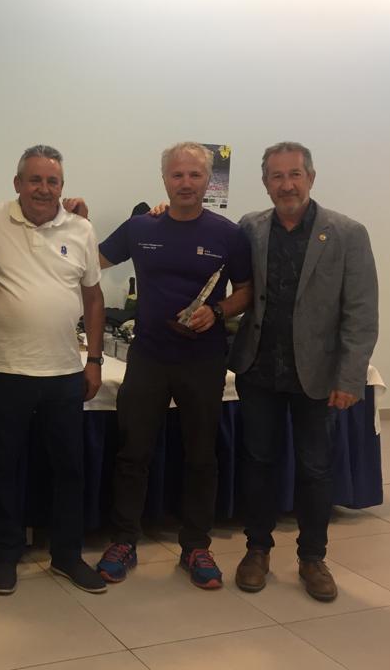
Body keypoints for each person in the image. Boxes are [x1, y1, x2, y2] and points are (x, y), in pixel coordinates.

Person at [94, 141, 252, 590]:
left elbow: (245, 291)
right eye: (177, 175)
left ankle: (196, 546)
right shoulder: (141, 227)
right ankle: (124, 540)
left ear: (208, 181)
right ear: (164, 179)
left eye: (195, 175)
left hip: (203, 360)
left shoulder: (228, 234)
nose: (186, 183)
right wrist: (73, 219)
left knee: (201, 455)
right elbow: (91, 261)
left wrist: (218, 312)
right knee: (133, 453)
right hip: (148, 356)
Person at [229, 141, 378, 602]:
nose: (287, 184)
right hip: (259, 370)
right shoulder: (249, 228)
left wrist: (350, 377)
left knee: (315, 469)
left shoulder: (347, 233)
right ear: (265, 183)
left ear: (311, 177)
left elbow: (361, 312)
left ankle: (313, 557)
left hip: (317, 375)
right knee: (258, 463)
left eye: (295, 174)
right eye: (277, 176)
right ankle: (257, 550)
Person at [0, 144, 107, 595]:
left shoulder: (81, 228)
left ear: (62, 187)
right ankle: (4, 554)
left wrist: (94, 360)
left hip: (64, 372)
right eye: (35, 180)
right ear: (18, 183)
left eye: (53, 181)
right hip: (4, 368)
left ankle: (67, 556)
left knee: (68, 469)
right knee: (2, 467)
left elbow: (94, 298)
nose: (44, 189)